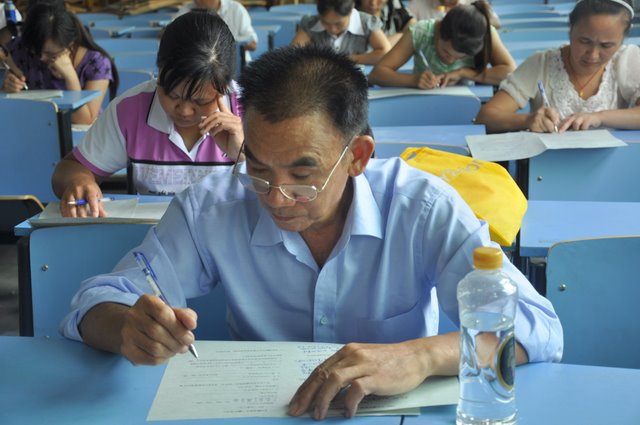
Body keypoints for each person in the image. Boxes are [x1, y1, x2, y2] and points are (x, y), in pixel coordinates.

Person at [60, 44, 563, 419]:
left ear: (358, 157)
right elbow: (96, 300)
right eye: (259, 170)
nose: (277, 198)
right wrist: (127, 328)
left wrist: (421, 356)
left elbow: (538, 328)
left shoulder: (421, 208)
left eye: (303, 176)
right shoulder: (214, 206)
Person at [51, 10, 243, 217]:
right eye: (172, 95)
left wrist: (244, 155)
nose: (185, 111)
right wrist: (79, 180)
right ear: (159, 72)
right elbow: (68, 169)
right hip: (152, 233)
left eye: (201, 101)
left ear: (225, 86)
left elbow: (270, 198)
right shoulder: (130, 110)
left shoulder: (249, 111)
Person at [475, 0, 640, 134]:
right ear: (570, 31)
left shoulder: (626, 61)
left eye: (606, 45)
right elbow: (486, 117)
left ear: (622, 40)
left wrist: (600, 117)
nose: (593, 55)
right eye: (584, 41)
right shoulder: (541, 65)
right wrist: (528, 120)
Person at [2, 2, 117, 124]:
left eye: (51, 54)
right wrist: (6, 84)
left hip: (80, 134)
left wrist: (71, 77)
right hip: (34, 127)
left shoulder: (97, 63)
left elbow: (83, 121)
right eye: (35, 51)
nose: (41, 58)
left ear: (70, 43)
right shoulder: (21, 49)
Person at [368, 1, 515, 89]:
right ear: (439, 31)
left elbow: (510, 72)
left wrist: (463, 73)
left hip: (469, 100)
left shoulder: (485, 33)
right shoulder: (421, 32)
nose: (450, 60)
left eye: (460, 58)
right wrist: (414, 80)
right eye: (445, 52)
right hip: (422, 99)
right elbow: (376, 75)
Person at [291, 0, 391, 65]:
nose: (332, 29)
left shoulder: (367, 22)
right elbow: (294, 54)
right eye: (325, 23)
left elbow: (385, 52)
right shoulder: (310, 23)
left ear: (351, 11)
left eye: (338, 24)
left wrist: (345, 59)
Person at [173, 0, 258, 53]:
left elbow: (253, 44)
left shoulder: (236, 9)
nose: (197, 1)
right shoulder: (186, 10)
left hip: (237, 66)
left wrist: (223, 44)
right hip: (199, 68)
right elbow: (169, 34)